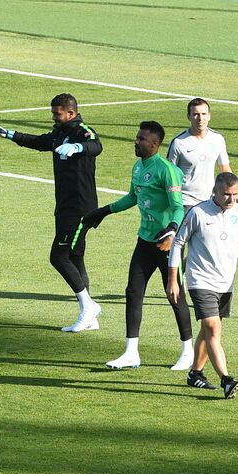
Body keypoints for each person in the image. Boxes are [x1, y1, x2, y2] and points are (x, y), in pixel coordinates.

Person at [77, 121, 191, 370]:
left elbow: (178, 207)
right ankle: (131, 352)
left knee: (174, 294)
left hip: (166, 243)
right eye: (136, 137)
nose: (136, 142)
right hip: (144, 240)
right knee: (133, 291)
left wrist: (172, 230)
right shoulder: (138, 167)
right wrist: (104, 211)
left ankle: (188, 350)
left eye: (141, 138)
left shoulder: (166, 170)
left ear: (154, 144)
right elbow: (132, 197)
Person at [0, 93, 102, 332]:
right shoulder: (60, 132)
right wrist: (7, 134)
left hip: (80, 207)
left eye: (57, 113)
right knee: (75, 256)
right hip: (65, 205)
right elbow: (38, 142)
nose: (54, 117)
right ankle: (89, 315)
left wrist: (77, 147)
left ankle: (88, 306)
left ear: (70, 113)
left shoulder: (82, 130)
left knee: (58, 257)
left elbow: (96, 145)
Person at [166, 172, 238, 398]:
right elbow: (178, 243)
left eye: (235, 194)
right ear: (215, 191)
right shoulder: (198, 212)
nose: (232, 199)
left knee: (208, 330)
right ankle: (226, 380)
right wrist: (173, 279)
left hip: (225, 282)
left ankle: (195, 373)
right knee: (214, 328)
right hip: (200, 279)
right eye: (227, 194)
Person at [167, 98, 231, 211]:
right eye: (196, 114)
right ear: (189, 116)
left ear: (209, 116)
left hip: (210, 201)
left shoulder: (217, 139)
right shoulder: (179, 142)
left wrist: (232, 193)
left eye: (204, 114)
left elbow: (225, 169)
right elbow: (168, 174)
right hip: (185, 201)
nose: (200, 118)